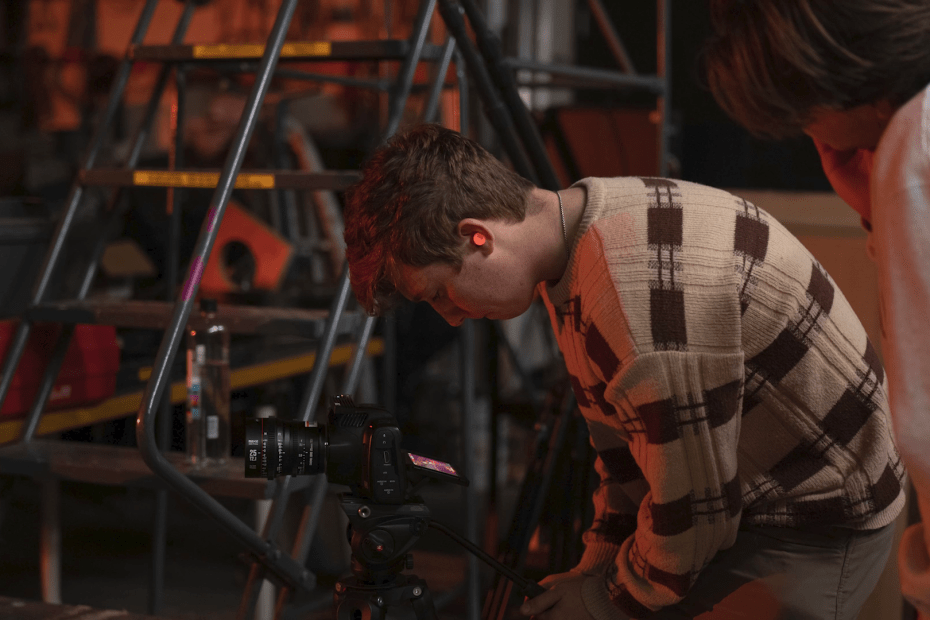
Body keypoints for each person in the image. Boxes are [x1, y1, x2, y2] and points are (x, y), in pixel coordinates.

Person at [343, 123, 906, 618]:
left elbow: (697, 516)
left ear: (477, 236)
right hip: (743, 489)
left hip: (816, 509)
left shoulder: (630, 291)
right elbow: (632, 457)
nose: (452, 317)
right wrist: (596, 572)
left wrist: (608, 600)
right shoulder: (578, 236)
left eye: (442, 292)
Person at [701, 1, 930, 614]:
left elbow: (925, 422)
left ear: (850, 74)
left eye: (803, 110)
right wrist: (875, 205)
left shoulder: (916, 136)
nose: (808, 132)